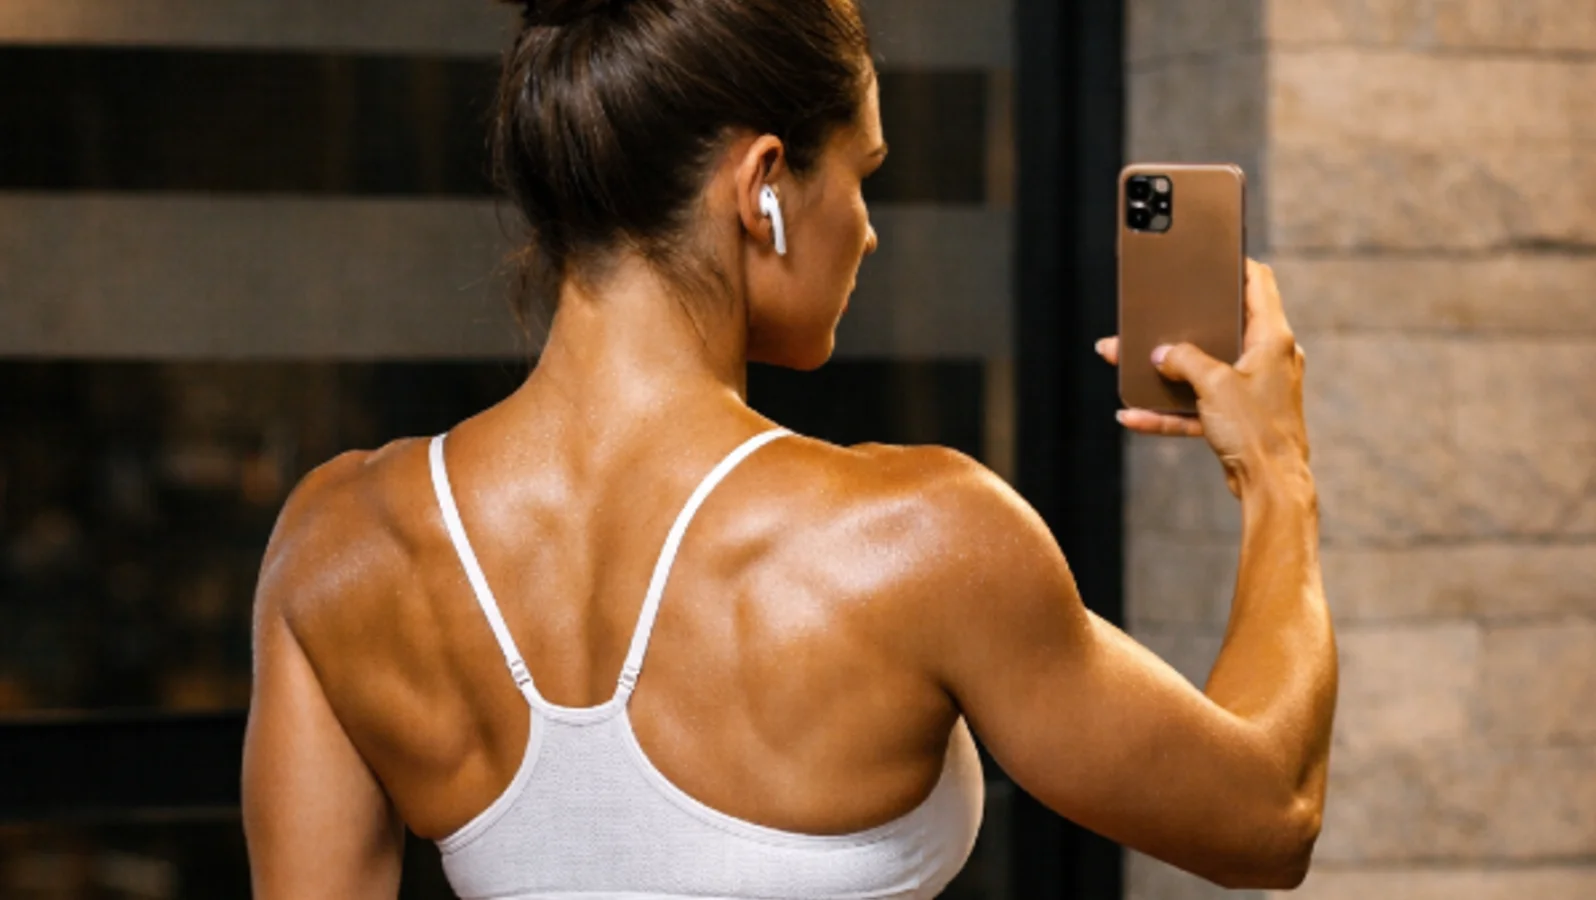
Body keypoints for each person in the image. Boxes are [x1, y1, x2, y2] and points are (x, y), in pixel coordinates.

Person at [241, 0, 1337, 897]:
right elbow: (1266, 818)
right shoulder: (920, 536)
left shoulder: (338, 545)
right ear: (763, 182)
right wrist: (1275, 471)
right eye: (861, 173)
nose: (866, 227)